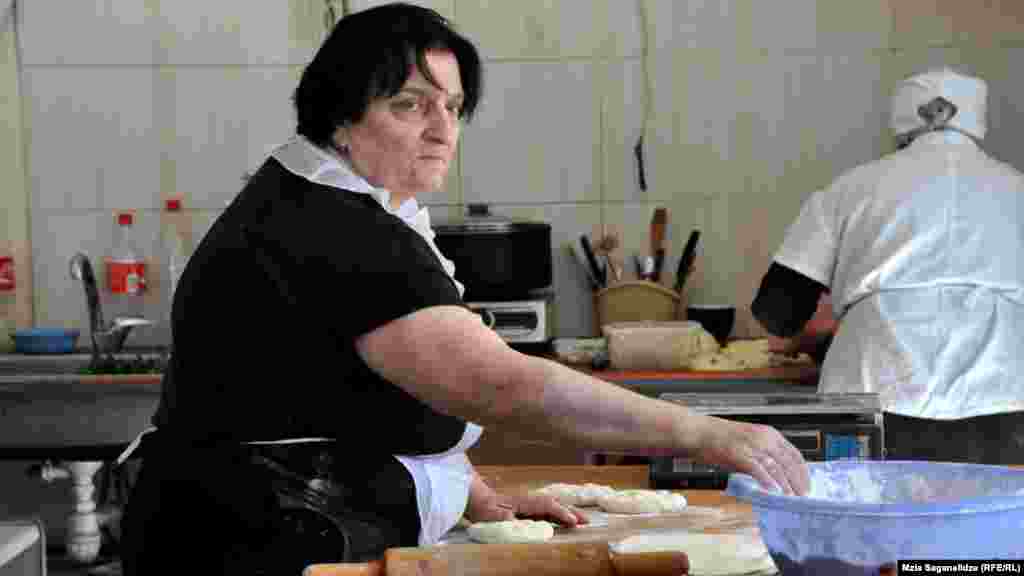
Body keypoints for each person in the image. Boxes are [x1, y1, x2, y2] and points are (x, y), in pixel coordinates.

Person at [119, 3, 808, 574]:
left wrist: (477, 496)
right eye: (409, 104)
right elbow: (500, 385)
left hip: (273, 532)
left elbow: (350, 396)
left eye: (451, 106)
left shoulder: (323, 206)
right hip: (260, 549)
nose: (443, 130)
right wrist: (703, 433)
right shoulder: (331, 228)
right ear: (341, 118)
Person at [752, 67, 1024, 465]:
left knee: (868, 521)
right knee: (992, 524)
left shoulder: (851, 188)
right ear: (977, 122)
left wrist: (825, 333)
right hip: (1002, 403)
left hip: (872, 397)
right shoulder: (1016, 190)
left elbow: (777, 311)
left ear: (900, 124)